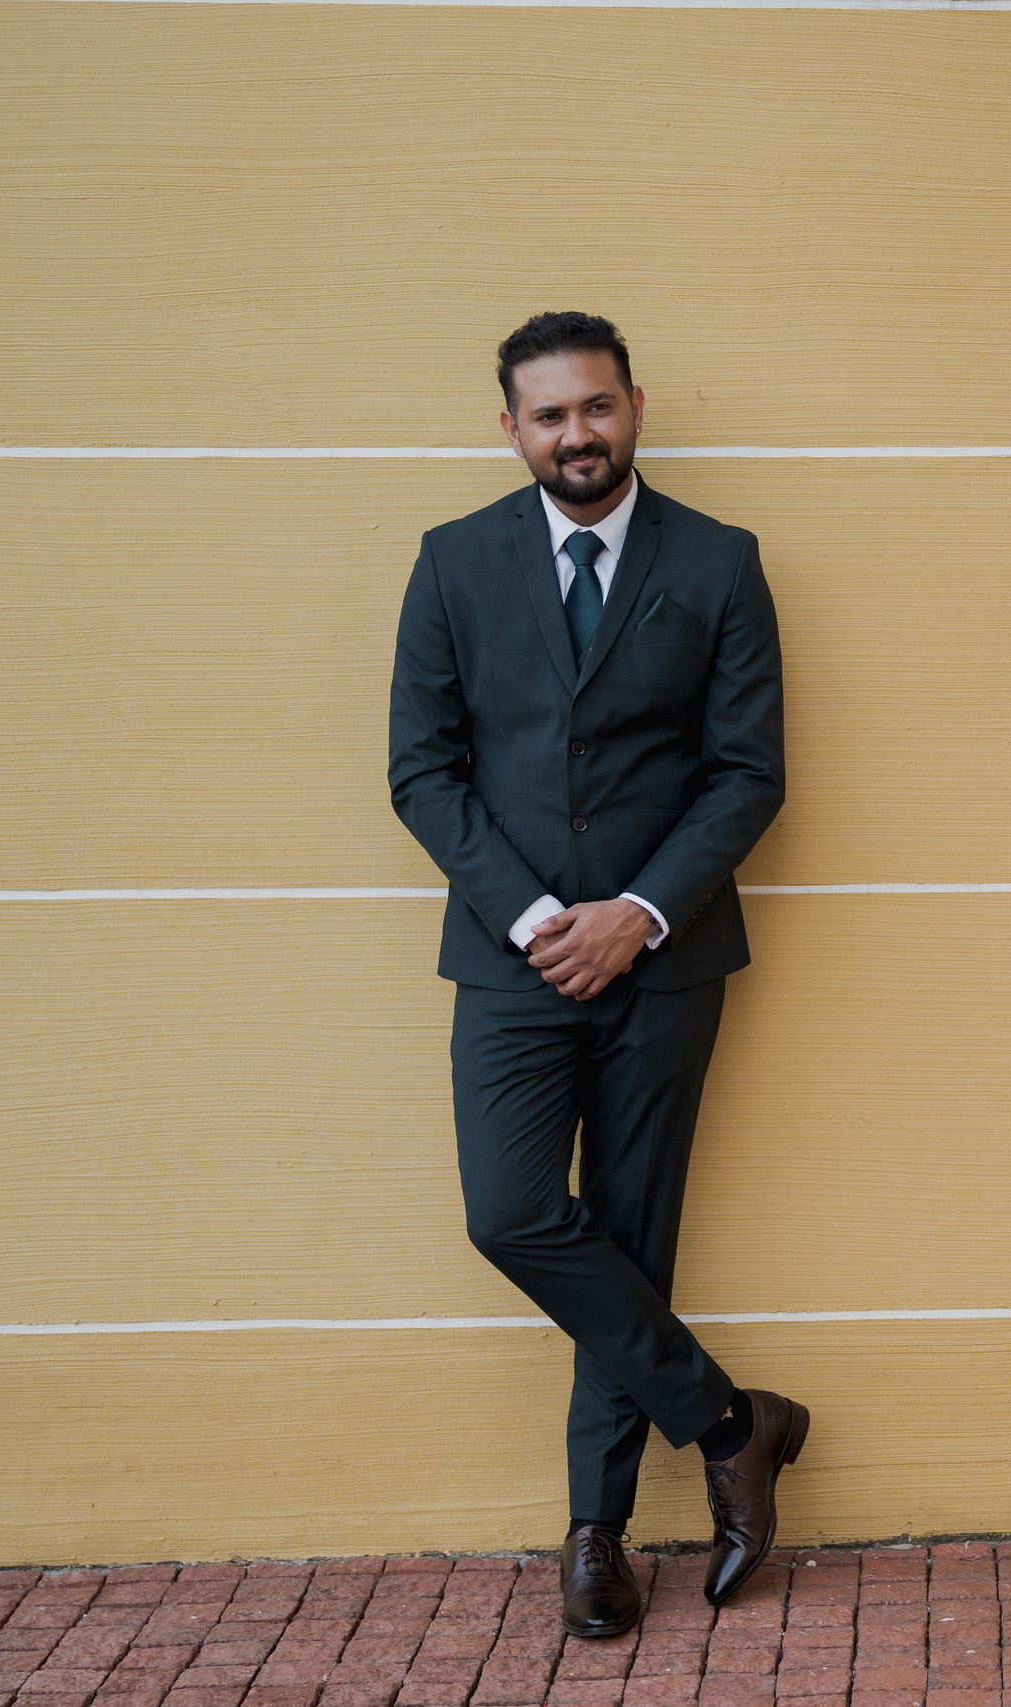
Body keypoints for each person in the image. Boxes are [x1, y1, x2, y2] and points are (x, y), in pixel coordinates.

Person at [388, 311, 809, 1637]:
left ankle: (598, 1535)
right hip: (511, 962)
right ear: (509, 427)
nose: (578, 433)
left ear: (635, 406)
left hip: (665, 957)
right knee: (515, 1215)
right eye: (549, 414)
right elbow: (423, 770)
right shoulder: (453, 565)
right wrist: (534, 920)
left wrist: (635, 912)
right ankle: (736, 1425)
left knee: (631, 1237)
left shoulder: (722, 562)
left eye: (597, 407)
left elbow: (750, 771)